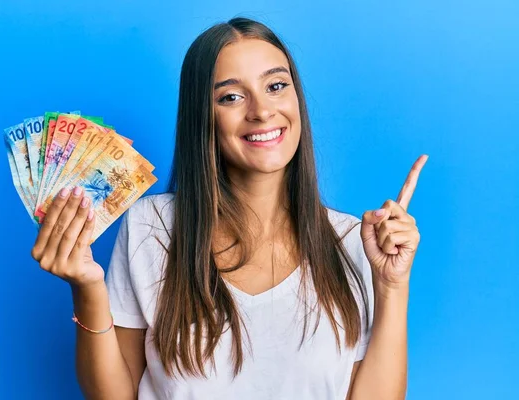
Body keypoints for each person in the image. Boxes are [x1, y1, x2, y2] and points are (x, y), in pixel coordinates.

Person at [31, 17, 427, 400]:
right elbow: (114, 396)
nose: (261, 110)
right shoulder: (152, 227)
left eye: (276, 85)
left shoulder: (352, 241)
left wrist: (392, 286)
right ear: (204, 116)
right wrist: (88, 288)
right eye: (231, 96)